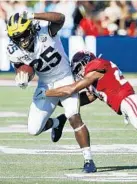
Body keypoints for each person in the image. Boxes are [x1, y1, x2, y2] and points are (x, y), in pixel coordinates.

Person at [6, 12, 96, 173]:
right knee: (33, 130)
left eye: (24, 34)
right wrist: (24, 76)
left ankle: (88, 159)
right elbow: (26, 67)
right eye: (16, 37)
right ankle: (57, 122)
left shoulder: (45, 30)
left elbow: (61, 18)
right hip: (45, 84)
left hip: (65, 77)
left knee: (74, 115)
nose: (21, 40)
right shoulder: (13, 50)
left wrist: (34, 15)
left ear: (31, 28)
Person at [38, 50, 137, 144]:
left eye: (78, 68)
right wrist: (62, 102)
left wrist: (46, 93)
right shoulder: (97, 79)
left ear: (85, 62)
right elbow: (87, 98)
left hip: (130, 103)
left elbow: (72, 88)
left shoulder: (95, 67)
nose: (78, 73)